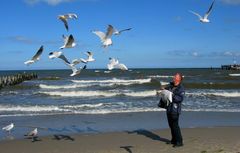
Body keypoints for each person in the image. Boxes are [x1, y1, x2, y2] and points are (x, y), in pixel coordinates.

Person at [163, 73, 185, 147]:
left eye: (175, 76)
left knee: (175, 125)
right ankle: (174, 140)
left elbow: (180, 99)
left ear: (179, 79)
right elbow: (166, 91)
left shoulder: (181, 88)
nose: (173, 77)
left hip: (175, 109)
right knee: (171, 125)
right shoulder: (171, 85)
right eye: (174, 76)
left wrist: (172, 94)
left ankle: (179, 142)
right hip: (169, 108)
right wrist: (163, 90)